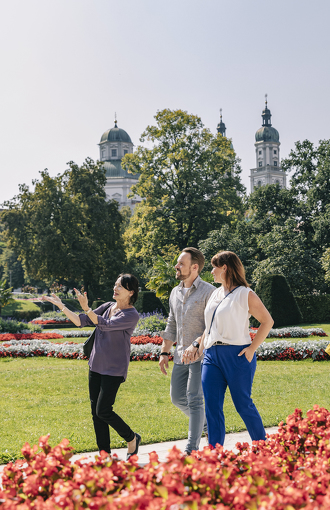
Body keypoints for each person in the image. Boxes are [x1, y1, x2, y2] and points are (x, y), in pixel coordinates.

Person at [42, 274, 141, 460]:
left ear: (131, 292)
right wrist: (62, 306)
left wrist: (87, 308)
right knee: (97, 414)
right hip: (95, 366)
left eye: (120, 286)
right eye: (115, 284)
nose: (115, 288)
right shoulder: (108, 307)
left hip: (114, 370)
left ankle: (132, 437)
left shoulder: (131, 315)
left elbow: (105, 325)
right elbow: (81, 321)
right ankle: (104, 456)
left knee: (103, 410)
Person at [182, 251, 274, 448]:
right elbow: (210, 326)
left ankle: (263, 449)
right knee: (212, 408)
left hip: (237, 355)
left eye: (215, 267)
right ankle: (216, 453)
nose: (212, 271)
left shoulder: (244, 294)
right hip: (211, 356)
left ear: (225, 268)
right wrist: (198, 345)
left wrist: (251, 349)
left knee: (243, 405)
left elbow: (267, 321)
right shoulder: (215, 293)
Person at [159, 247, 214, 455]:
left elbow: (212, 326)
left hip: (201, 355)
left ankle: (191, 449)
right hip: (180, 355)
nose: (176, 266)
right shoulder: (175, 292)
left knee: (194, 398)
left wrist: (198, 345)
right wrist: (165, 352)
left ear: (194, 267)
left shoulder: (209, 291)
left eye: (181, 263)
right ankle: (207, 425)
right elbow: (172, 323)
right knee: (177, 398)